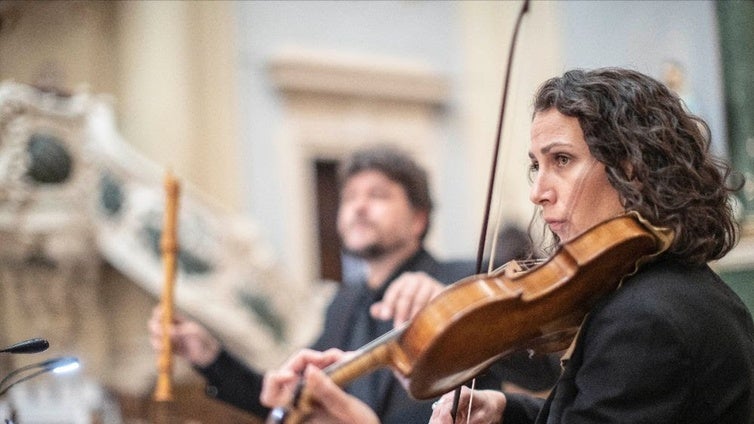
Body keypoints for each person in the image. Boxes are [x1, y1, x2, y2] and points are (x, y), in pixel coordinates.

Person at [260, 68, 754, 424]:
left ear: (632, 168)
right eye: (536, 165)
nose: (539, 190)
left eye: (561, 159)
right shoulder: (655, 291)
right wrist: (509, 412)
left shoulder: (648, 319)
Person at [149, 145, 559, 423]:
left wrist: (453, 308)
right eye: (350, 197)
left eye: (378, 195)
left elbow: (542, 372)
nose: (359, 206)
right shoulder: (342, 304)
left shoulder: (464, 279)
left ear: (418, 219)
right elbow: (299, 401)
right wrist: (209, 356)